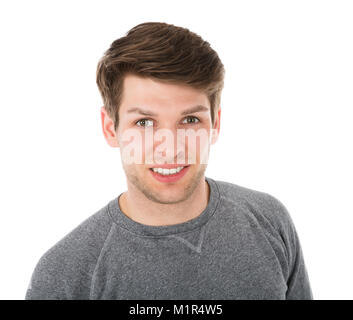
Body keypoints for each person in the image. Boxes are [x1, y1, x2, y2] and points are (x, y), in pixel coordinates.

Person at [25, 22, 313, 300]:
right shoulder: (65, 274)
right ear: (110, 128)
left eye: (190, 120)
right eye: (144, 122)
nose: (171, 149)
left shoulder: (269, 221)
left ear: (215, 123)